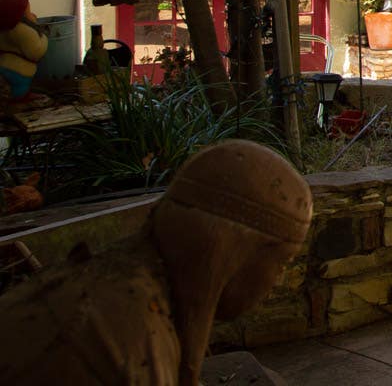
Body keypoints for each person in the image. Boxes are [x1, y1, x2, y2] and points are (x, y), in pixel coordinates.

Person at [0, 139, 313, 383]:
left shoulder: (133, 297)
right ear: (231, 251)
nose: (279, 280)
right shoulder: (121, 342)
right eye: (282, 262)